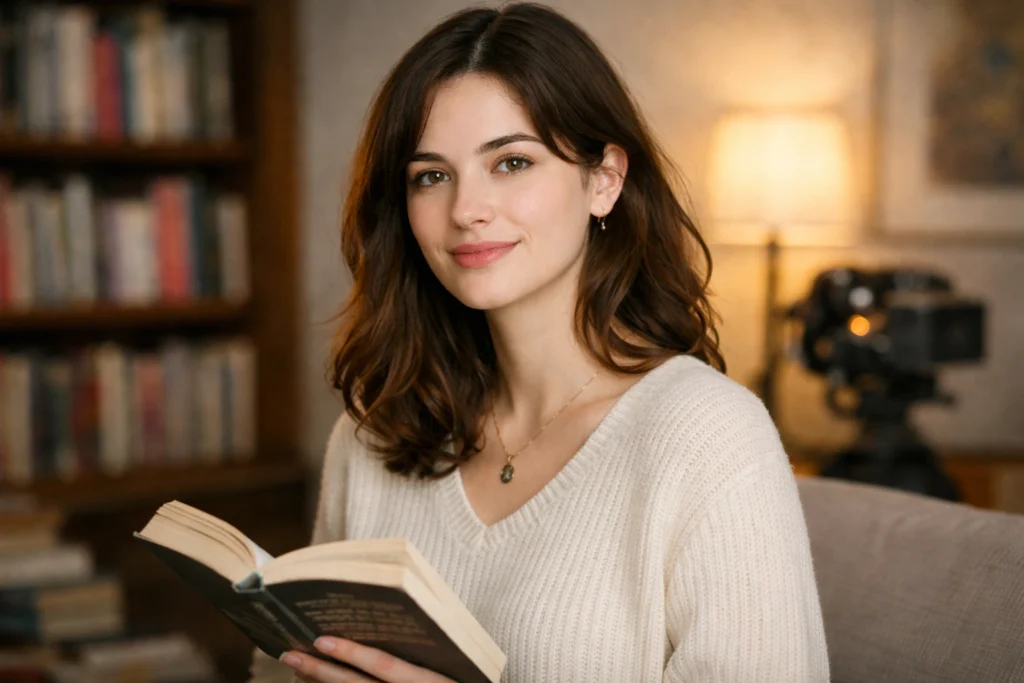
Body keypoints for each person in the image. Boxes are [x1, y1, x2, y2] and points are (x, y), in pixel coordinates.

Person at [251, 3, 830, 682]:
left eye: (512, 162)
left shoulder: (708, 436)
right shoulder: (372, 435)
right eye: (431, 175)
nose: (466, 209)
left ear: (604, 180)